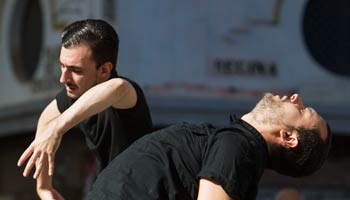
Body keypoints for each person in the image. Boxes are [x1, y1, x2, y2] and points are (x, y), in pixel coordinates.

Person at [85, 93, 331, 200]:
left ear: (288, 137)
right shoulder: (239, 151)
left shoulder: (240, 146)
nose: (296, 98)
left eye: (302, 110)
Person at [17, 19, 153, 199]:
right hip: (104, 190)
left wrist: (57, 129)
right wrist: (45, 190)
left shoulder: (125, 93)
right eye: (62, 66)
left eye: (76, 70)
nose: (63, 78)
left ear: (104, 70)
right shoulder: (71, 96)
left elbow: (117, 88)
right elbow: (46, 120)